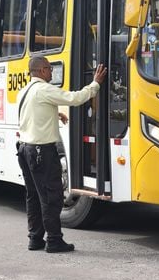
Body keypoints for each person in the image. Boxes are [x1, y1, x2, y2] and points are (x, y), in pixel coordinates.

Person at [16, 56, 107, 253]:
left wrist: (55, 114)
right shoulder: (45, 89)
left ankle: (35, 239)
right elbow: (75, 98)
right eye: (50, 68)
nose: (52, 72)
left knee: (33, 196)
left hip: (25, 150)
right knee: (52, 197)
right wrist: (95, 84)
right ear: (41, 71)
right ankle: (54, 241)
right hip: (42, 151)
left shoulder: (25, 90)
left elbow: (33, 111)